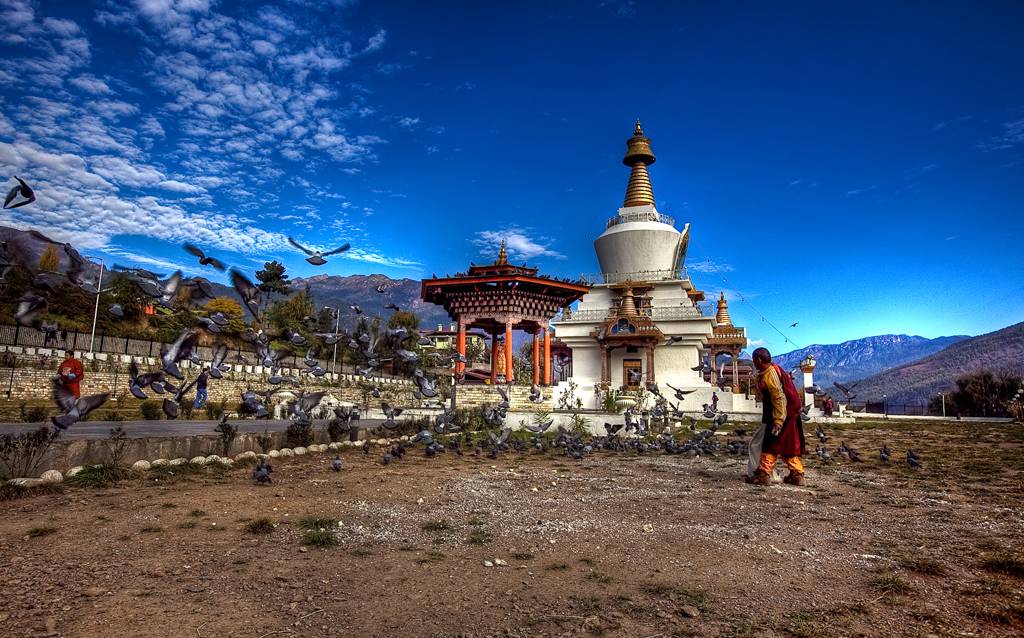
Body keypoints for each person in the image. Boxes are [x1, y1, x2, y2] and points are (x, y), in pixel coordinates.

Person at [746, 347, 807, 486]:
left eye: (754, 359)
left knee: (771, 444)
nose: (754, 362)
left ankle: (764, 474)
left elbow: (779, 397)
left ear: (759, 360)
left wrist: (778, 420)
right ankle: (797, 474)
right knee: (788, 444)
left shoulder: (770, 375)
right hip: (789, 414)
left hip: (782, 414)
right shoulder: (770, 371)